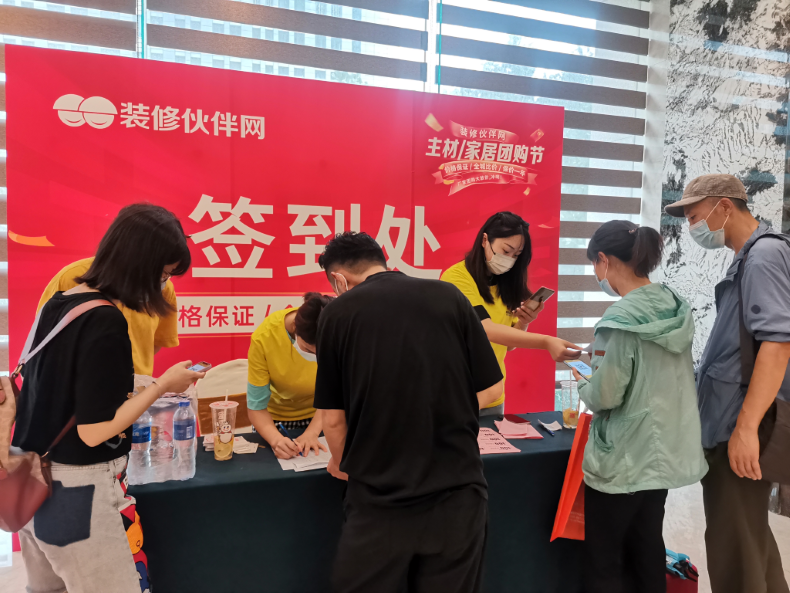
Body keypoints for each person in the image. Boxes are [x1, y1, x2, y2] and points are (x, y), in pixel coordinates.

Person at [11, 203, 206, 593]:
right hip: (77, 490)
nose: (164, 285)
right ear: (139, 264)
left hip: (30, 480)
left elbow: (57, 386)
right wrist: (163, 384)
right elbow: (94, 431)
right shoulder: (106, 320)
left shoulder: (62, 302)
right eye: (163, 274)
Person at [314, 232, 504, 593]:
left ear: (338, 279)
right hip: (458, 496)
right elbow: (492, 389)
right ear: (381, 260)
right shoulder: (449, 296)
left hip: (379, 502)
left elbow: (334, 420)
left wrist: (343, 466)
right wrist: (441, 405)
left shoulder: (338, 313)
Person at [665, 174, 790, 593]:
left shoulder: (764, 256)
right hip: (726, 418)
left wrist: (746, 429)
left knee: (734, 548)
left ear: (724, 206)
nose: (692, 227)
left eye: (694, 217)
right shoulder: (748, 257)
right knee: (748, 539)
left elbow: (777, 344)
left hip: (740, 422)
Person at [571, 220, 707, 593]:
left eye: (594, 265)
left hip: (623, 460)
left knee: (603, 561)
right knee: (648, 547)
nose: (597, 274)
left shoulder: (618, 321)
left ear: (603, 259)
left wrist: (581, 378)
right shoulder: (673, 307)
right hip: (662, 455)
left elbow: (605, 396)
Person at [441, 211, 581, 415]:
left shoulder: (505, 284)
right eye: (506, 251)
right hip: (460, 395)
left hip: (494, 396)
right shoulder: (456, 277)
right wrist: (546, 342)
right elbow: (485, 329)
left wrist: (524, 322)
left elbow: (508, 345)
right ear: (485, 240)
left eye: (516, 255)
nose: (509, 260)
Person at [39, 250, 180, 377]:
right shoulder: (73, 277)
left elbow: (155, 342)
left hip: (136, 388)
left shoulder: (163, 288)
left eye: (167, 274)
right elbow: (47, 339)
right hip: (79, 388)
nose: (162, 278)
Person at [246, 292, 334, 459]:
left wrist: (312, 432)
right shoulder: (265, 338)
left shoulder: (340, 330)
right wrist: (276, 440)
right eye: (309, 351)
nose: (318, 359)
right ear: (294, 327)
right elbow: (256, 407)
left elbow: (334, 394)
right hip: (274, 420)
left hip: (321, 416)